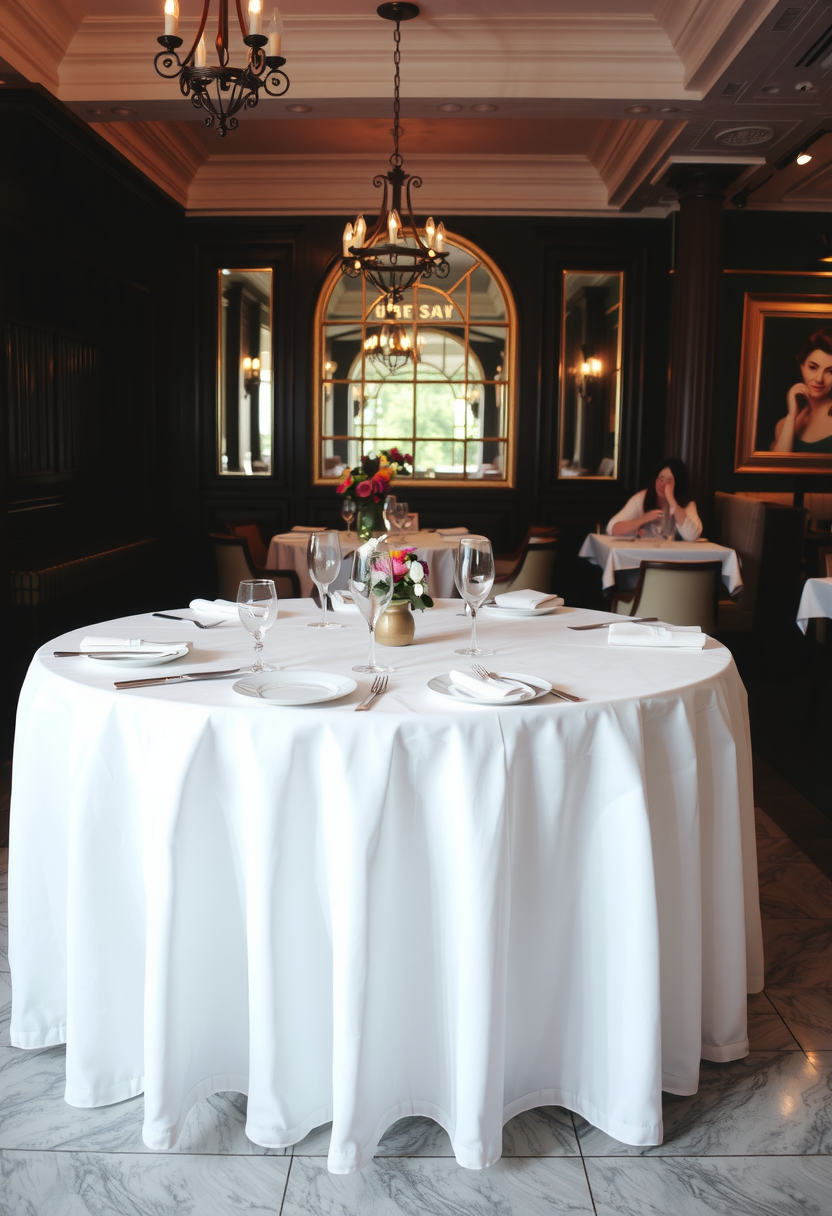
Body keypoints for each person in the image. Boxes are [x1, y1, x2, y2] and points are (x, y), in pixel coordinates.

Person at [607, 457, 702, 541]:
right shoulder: (642, 498)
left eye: (669, 481)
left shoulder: (686, 503)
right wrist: (643, 519)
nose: (663, 484)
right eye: (661, 478)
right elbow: (612, 528)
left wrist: (672, 502)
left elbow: (692, 536)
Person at [771, 327, 832, 453]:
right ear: (802, 366)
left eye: (830, 371)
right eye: (813, 367)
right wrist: (791, 417)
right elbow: (778, 464)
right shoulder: (783, 425)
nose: (819, 379)